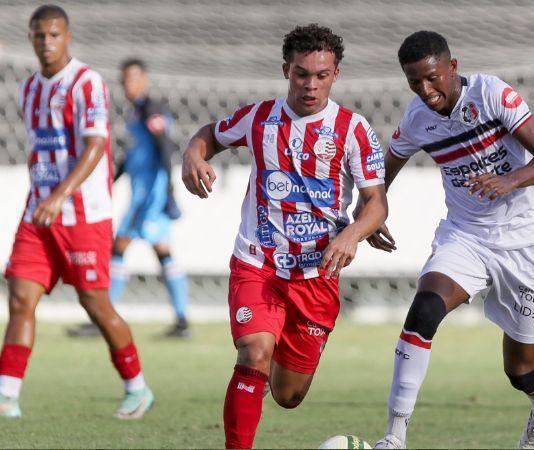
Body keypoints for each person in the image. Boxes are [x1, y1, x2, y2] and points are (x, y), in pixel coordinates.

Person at [180, 24, 388, 449]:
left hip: (317, 274)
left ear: (336, 74)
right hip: (258, 264)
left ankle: (270, 374)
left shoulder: (352, 128)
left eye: (321, 75)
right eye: (301, 74)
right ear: (285, 71)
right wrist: (191, 155)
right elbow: (208, 136)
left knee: (288, 396)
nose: (310, 85)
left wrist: (352, 234)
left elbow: (376, 204)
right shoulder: (258, 117)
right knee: (254, 352)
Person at [369, 31, 534, 449]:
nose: (426, 90)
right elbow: (385, 169)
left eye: (433, 78)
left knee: (521, 370)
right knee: (423, 311)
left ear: (452, 67)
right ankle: (394, 435)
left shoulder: (492, 93)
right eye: (414, 82)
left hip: (527, 240)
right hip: (467, 235)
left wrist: (508, 180)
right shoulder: (417, 118)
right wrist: (369, 211)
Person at [0, 4, 154, 419]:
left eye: (54, 34)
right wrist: (44, 198)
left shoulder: (87, 84)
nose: (46, 42)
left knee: (94, 303)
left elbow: (96, 145)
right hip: (39, 214)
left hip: (84, 215)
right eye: (39, 35)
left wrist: (60, 195)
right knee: (19, 299)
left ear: (67, 36)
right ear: (31, 38)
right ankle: (6, 396)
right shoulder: (29, 88)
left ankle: (137, 387)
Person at [67, 58, 190, 339]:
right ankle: (182, 321)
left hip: (149, 197)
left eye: (133, 79)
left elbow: (165, 148)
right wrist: (111, 180)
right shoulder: (137, 112)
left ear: (144, 79)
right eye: (124, 80)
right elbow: (134, 156)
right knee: (163, 252)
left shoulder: (151, 108)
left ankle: (102, 317)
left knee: (118, 248)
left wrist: (169, 191)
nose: (128, 85)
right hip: (144, 194)